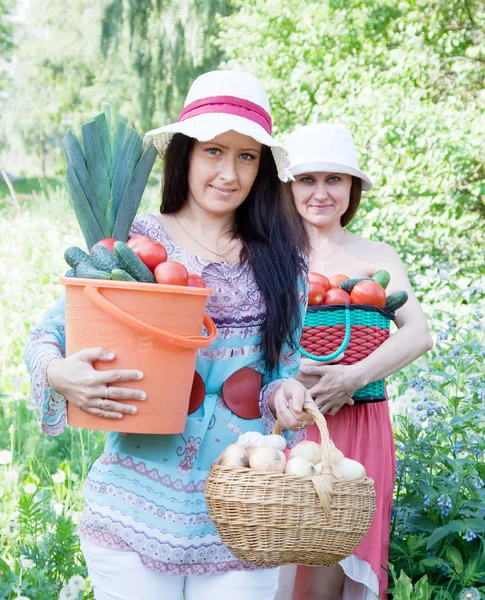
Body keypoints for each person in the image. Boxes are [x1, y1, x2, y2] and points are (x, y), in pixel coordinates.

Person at [24, 70, 315, 600]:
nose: (229, 173)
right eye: (214, 151)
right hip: (136, 506)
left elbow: (279, 376)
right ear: (185, 154)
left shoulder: (282, 260)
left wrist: (286, 397)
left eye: (247, 157)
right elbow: (49, 333)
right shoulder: (136, 244)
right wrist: (59, 374)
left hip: (241, 513)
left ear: (263, 169)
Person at [275, 123, 433, 600]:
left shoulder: (375, 256)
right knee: (298, 564)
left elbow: (419, 334)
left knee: (350, 564)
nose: (320, 193)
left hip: (362, 421)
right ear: (289, 187)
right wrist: (290, 374)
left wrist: (352, 378)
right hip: (295, 422)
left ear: (352, 189)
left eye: (334, 180)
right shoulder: (272, 255)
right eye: (307, 180)